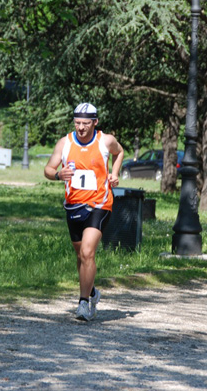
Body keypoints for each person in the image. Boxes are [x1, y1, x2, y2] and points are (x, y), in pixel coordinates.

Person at [44, 102, 124, 321]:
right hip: (74, 205)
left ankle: (83, 304)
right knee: (80, 257)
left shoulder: (105, 141)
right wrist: (58, 175)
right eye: (77, 123)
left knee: (88, 252)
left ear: (95, 122)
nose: (81, 127)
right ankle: (92, 292)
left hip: (100, 203)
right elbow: (48, 169)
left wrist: (114, 174)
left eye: (85, 123)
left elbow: (119, 152)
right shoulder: (65, 143)